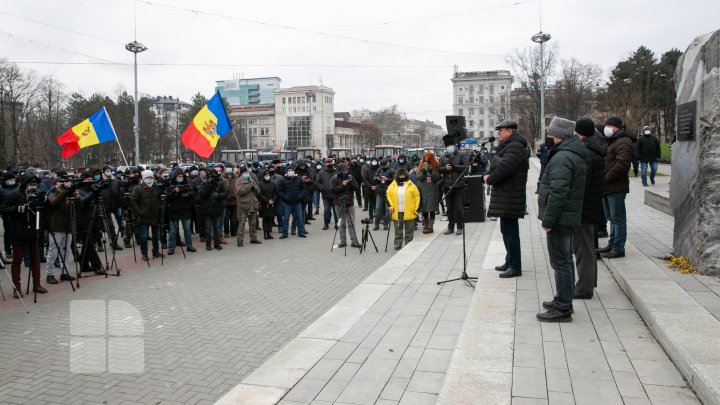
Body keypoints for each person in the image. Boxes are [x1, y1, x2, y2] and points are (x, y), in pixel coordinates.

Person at [536, 117, 587, 322]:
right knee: (564, 260)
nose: (549, 138)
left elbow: (558, 192)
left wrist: (548, 220)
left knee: (561, 262)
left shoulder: (563, 157)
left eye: (551, 134)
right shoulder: (570, 153)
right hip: (566, 215)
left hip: (560, 218)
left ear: (558, 135)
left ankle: (563, 307)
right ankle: (563, 299)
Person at [483, 119, 529, 278]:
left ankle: (515, 266)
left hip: (510, 194)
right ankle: (509, 260)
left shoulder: (515, 146)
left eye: (501, 130)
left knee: (511, 233)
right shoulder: (509, 145)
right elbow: (499, 165)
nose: (498, 133)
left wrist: (489, 178)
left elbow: (506, 167)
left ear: (509, 132)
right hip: (506, 195)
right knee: (506, 231)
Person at [571, 117, 606, 300]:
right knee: (587, 248)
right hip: (591, 206)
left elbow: (583, 184)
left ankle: (584, 288)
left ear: (580, 132)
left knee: (583, 249)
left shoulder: (588, 153)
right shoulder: (594, 148)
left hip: (584, 207)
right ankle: (589, 282)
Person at [0, 173, 48, 297]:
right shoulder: (14, 194)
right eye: (30, 183)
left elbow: (47, 209)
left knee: (36, 259)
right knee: (17, 260)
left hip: (33, 230)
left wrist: (43, 201)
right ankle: (17, 288)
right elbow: (3, 209)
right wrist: (17, 209)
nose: (32, 185)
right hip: (18, 231)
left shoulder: (37, 193)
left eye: (35, 183)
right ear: (24, 183)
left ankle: (36, 284)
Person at [598, 116, 633, 259]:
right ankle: (612, 243)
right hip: (607, 187)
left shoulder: (623, 142)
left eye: (610, 126)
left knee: (617, 218)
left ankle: (618, 247)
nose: (607, 128)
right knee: (612, 218)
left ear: (617, 127)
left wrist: (606, 178)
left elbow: (622, 164)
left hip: (615, 186)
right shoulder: (611, 141)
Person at [45, 172, 78, 284]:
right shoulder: (52, 195)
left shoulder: (69, 195)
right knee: (53, 251)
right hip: (56, 227)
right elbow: (54, 204)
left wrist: (76, 196)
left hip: (68, 227)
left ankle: (64, 272)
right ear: (55, 186)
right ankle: (49, 274)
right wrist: (64, 191)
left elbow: (79, 207)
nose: (62, 186)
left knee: (66, 251)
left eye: (63, 184)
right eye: (59, 185)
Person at [439, 135, 469, 235]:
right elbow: (439, 169)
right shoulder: (443, 156)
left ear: (454, 145)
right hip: (447, 186)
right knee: (450, 208)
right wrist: (444, 168)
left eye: (451, 145)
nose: (449, 147)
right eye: (447, 145)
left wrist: (454, 167)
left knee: (459, 208)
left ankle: (460, 226)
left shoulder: (461, 154)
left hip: (459, 185)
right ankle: (451, 227)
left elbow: (466, 167)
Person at [131, 170, 163, 261]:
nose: (149, 179)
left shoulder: (156, 187)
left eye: (151, 177)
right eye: (147, 178)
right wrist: (139, 212)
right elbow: (133, 201)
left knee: (156, 235)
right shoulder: (138, 188)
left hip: (155, 215)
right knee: (144, 236)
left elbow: (160, 199)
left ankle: (156, 251)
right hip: (143, 216)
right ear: (143, 178)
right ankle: (144, 253)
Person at [386, 168, 421, 250]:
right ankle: (398, 244)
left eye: (403, 175)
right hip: (396, 211)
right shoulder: (393, 185)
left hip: (409, 211)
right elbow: (388, 195)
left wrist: (417, 210)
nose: (402, 177)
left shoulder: (412, 185)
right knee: (398, 230)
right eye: (400, 175)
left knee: (409, 230)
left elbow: (417, 197)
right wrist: (390, 206)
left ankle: (409, 244)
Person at [330, 162, 360, 248]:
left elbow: (357, 187)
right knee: (341, 223)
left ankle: (354, 241)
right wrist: (342, 186)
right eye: (344, 170)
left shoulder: (350, 177)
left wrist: (350, 183)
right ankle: (343, 241)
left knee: (351, 223)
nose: (346, 171)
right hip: (339, 204)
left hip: (350, 203)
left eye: (347, 169)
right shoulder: (334, 178)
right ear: (340, 170)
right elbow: (332, 190)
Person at [166, 168, 196, 255]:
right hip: (174, 211)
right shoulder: (170, 185)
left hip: (185, 211)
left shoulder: (187, 184)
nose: (180, 178)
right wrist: (174, 192)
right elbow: (167, 198)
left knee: (187, 230)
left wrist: (187, 194)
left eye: (182, 176)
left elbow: (193, 194)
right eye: (179, 176)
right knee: (173, 231)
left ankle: (189, 246)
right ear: (175, 177)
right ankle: (171, 248)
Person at [277, 166, 307, 239]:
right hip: (287, 203)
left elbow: (304, 189)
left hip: (297, 202)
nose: (291, 171)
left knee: (299, 218)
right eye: (289, 170)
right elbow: (279, 190)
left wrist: (300, 195)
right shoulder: (283, 180)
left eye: (292, 170)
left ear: (294, 171)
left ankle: (301, 232)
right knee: (286, 219)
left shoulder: (299, 179)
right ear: (287, 171)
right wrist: (284, 197)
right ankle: (284, 233)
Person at [235, 167, 262, 247]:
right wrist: (250, 186)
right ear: (242, 173)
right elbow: (240, 192)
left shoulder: (251, 180)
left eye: (248, 172)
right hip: (243, 206)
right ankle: (240, 240)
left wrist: (255, 186)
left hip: (252, 205)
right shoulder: (238, 181)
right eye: (245, 172)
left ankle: (253, 238)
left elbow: (258, 191)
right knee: (242, 224)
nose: (247, 174)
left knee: (253, 223)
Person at [416, 151, 441, 234]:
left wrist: (431, 172)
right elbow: (418, 177)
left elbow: (437, 178)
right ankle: (426, 226)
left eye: (428, 159)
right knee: (425, 210)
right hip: (423, 191)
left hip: (432, 191)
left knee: (432, 209)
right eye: (425, 159)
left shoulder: (436, 165)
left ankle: (430, 227)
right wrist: (423, 172)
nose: (426, 161)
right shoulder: (421, 164)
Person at [315, 158, 338, 230]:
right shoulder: (321, 172)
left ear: (332, 162)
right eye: (327, 162)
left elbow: (340, 180)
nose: (329, 164)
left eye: (330, 162)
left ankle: (337, 224)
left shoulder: (337, 171)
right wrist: (323, 188)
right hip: (326, 195)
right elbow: (317, 182)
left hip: (335, 194)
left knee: (336, 211)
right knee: (326, 210)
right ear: (325, 163)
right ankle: (326, 224)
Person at [372, 159, 395, 231]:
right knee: (378, 208)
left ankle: (386, 224)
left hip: (388, 192)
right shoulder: (379, 170)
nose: (383, 167)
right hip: (379, 191)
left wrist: (387, 179)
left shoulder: (392, 170)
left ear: (387, 164)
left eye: (384, 165)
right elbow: (374, 178)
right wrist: (378, 178)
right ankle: (376, 224)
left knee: (388, 209)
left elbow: (395, 181)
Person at [257, 169, 278, 240]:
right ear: (263, 176)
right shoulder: (260, 184)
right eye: (266, 175)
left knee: (270, 218)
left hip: (272, 204)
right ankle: (265, 233)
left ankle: (269, 232)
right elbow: (260, 194)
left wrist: (273, 200)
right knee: (265, 219)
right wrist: (267, 201)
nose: (267, 176)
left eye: (268, 175)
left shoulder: (273, 183)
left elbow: (275, 193)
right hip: (264, 204)